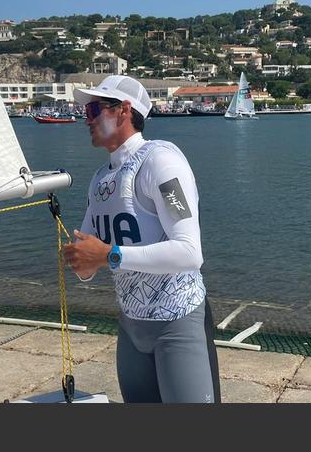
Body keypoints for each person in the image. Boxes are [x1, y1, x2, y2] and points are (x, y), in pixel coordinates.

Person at [62, 75, 220, 403]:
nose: (86, 119)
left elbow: (189, 253)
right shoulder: (101, 179)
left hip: (178, 323)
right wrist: (81, 259)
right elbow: (89, 263)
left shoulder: (162, 162)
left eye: (93, 109)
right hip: (131, 327)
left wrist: (108, 256)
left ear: (123, 110)